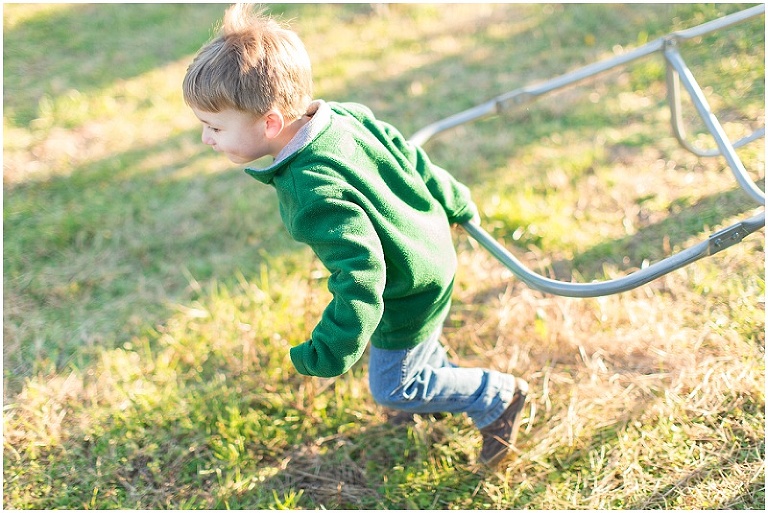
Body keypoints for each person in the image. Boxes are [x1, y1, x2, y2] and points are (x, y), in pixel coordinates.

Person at [182, 3, 528, 467]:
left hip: (408, 286)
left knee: (395, 387)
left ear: (270, 122)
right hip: (429, 247)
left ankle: (496, 397)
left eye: (214, 127)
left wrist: (330, 347)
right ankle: (435, 389)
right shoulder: (342, 115)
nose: (206, 139)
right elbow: (408, 155)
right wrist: (455, 198)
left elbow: (361, 274)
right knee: (414, 357)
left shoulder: (310, 189)